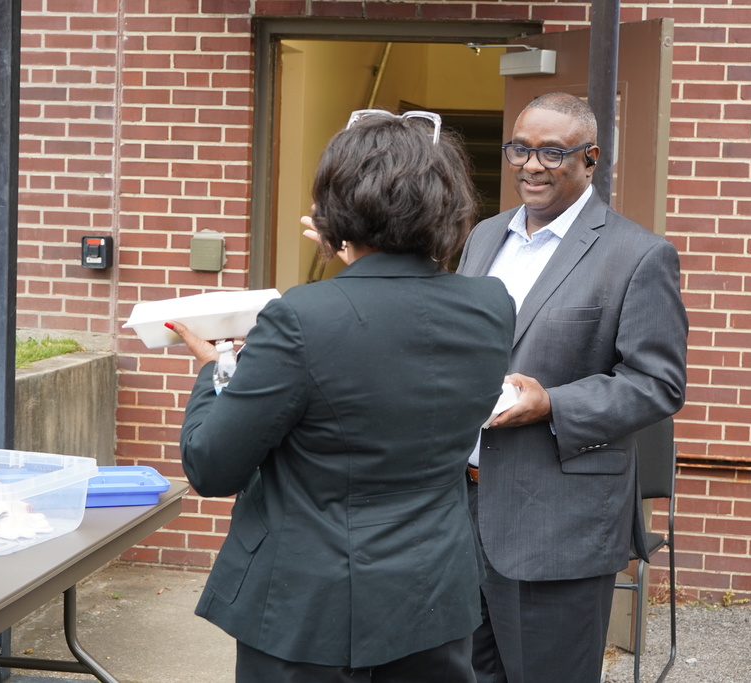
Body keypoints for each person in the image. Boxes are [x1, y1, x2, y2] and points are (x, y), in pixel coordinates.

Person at [171, 109, 516, 683]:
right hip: (435, 597)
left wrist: (219, 369)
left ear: (333, 212)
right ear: (449, 204)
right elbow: (404, 316)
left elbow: (211, 467)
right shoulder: (490, 306)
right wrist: (355, 243)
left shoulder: (302, 317)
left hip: (314, 610)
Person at [457, 92, 688, 683]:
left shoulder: (637, 255)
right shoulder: (483, 237)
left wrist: (553, 403)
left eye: (552, 153)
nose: (532, 165)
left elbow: (656, 383)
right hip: (462, 509)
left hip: (555, 523)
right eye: (521, 149)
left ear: (591, 158)